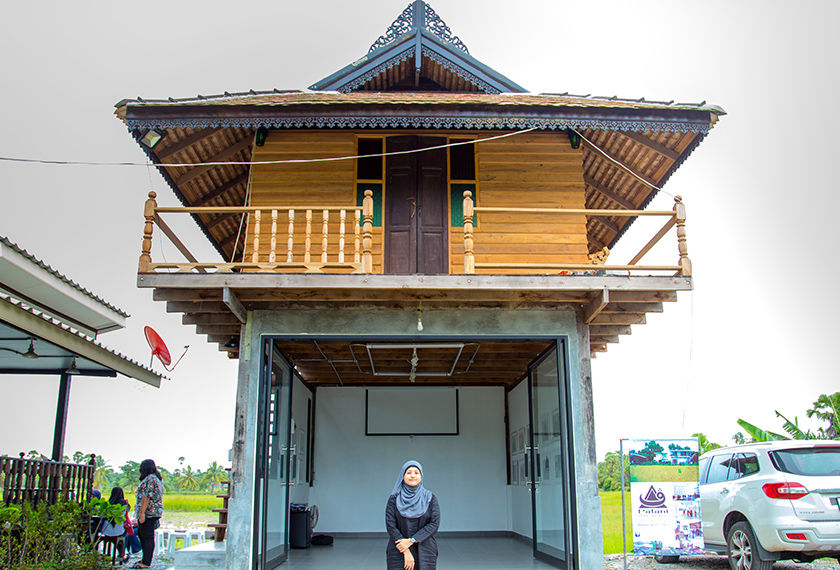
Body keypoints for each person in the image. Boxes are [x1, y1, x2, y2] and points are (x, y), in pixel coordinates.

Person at [385, 461, 440, 570]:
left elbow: (434, 523)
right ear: (403, 476)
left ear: (421, 476)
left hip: (425, 550)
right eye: (409, 473)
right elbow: (391, 525)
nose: (413, 476)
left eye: (416, 472)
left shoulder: (430, 498)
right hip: (398, 550)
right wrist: (405, 550)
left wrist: (411, 540)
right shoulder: (394, 499)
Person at [133, 459, 164, 569]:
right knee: (142, 534)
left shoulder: (150, 479)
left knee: (147, 536)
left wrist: (142, 513)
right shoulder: (157, 479)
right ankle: (145, 558)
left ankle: (146, 562)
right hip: (153, 512)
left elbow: (146, 496)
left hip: (149, 512)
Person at [99, 486, 131, 564]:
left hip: (106, 531)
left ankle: (109, 554)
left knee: (116, 536)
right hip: (119, 531)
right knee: (125, 536)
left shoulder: (108, 503)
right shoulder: (124, 504)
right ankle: (123, 554)